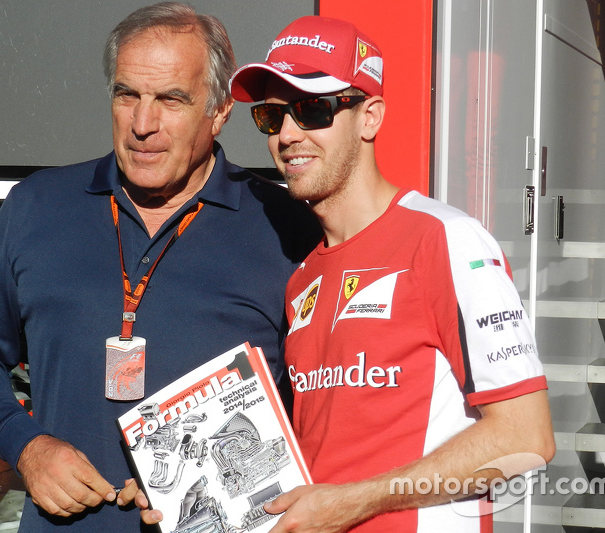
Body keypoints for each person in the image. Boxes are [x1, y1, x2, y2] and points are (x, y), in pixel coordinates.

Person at [0, 3, 320, 531]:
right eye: (127, 95)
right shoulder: (36, 205)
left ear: (219, 110)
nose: (143, 124)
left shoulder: (285, 227)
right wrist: (26, 446)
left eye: (171, 99)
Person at [223, 15, 556, 533]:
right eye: (272, 115)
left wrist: (353, 503)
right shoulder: (301, 278)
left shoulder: (445, 238)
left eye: (313, 109)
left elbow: (525, 438)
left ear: (370, 117)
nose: (288, 135)